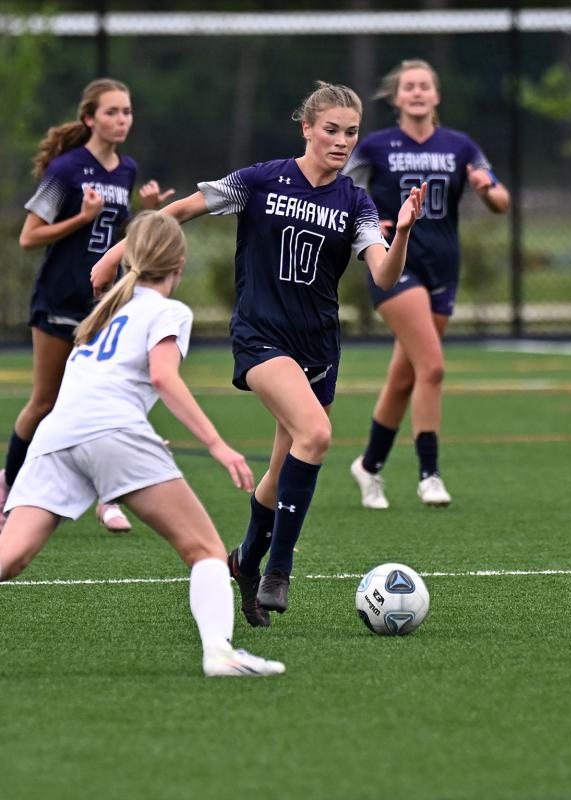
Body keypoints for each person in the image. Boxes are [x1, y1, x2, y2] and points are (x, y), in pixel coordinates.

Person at [90, 81, 426, 627]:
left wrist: (404, 231)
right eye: (332, 130)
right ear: (307, 129)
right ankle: (279, 568)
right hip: (260, 338)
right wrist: (117, 256)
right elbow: (180, 210)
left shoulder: (356, 202)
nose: (341, 141)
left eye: (351, 133)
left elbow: (384, 272)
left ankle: (246, 560)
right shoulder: (262, 180)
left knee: (279, 471)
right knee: (316, 435)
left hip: (318, 348)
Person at [0, 211, 285, 677]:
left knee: (8, 558)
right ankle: (221, 654)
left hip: (56, 436)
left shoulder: (104, 313)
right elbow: (161, 376)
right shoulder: (169, 311)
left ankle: (223, 654)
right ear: (180, 264)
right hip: (110, 433)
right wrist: (217, 445)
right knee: (206, 551)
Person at [0, 78, 175, 534]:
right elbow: (28, 236)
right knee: (45, 401)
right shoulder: (66, 169)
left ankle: (108, 499)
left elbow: (120, 239)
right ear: (89, 118)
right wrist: (81, 217)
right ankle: (11, 490)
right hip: (59, 301)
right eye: (112, 112)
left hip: (102, 306)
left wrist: (148, 214)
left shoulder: (127, 169)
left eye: (127, 111)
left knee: (107, 401)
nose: (122, 120)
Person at [346, 59, 510, 510]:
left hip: (443, 270)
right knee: (432, 368)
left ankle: (369, 466)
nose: (417, 92)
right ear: (396, 97)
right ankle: (429, 474)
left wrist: (484, 188)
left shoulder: (460, 146)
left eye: (425, 86)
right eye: (409, 86)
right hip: (394, 266)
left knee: (405, 378)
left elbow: (501, 199)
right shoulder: (376, 146)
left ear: (436, 96)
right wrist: (367, 218)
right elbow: (340, 191)